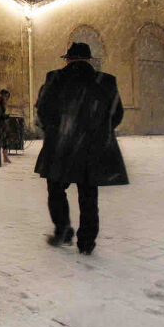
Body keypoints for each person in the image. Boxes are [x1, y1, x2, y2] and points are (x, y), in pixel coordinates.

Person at [35, 42, 128, 255]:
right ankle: (87, 242)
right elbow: (117, 114)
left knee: (56, 189)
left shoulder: (55, 79)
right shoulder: (106, 82)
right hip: (92, 148)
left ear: (68, 59)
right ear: (89, 60)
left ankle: (63, 230)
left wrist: (57, 131)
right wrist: (97, 132)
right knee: (88, 195)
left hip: (61, 146)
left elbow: (43, 111)